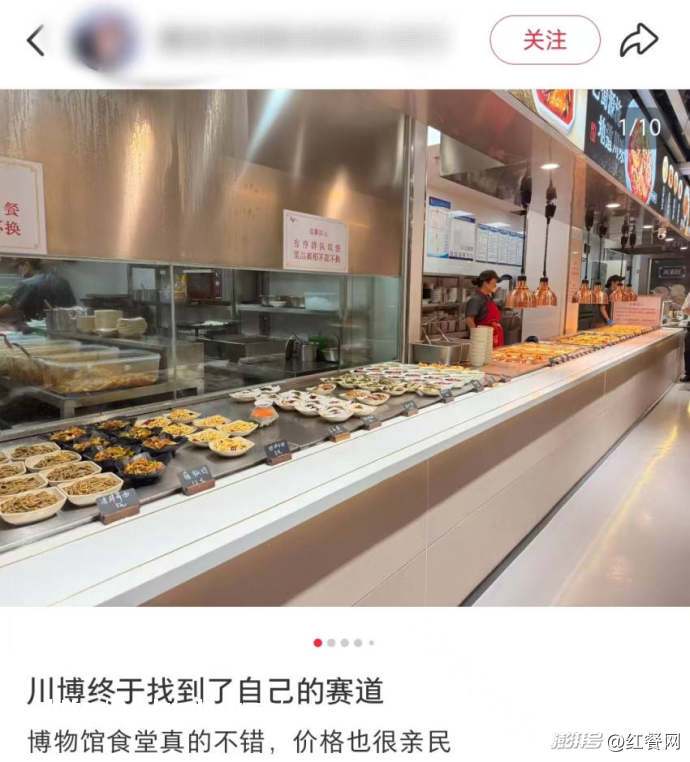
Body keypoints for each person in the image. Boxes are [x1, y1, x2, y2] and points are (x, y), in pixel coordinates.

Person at [0, 259, 76, 326]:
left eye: (17, 267)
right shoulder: (62, 281)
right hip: (63, 328)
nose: (18, 271)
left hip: (37, 329)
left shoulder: (28, 283)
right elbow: (73, 308)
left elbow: (8, 309)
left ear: (27, 265)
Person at [465, 269, 504, 347]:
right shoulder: (476, 299)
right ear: (486, 283)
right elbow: (469, 320)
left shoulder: (488, 298)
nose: (495, 286)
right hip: (483, 342)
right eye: (494, 283)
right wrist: (477, 338)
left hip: (493, 339)